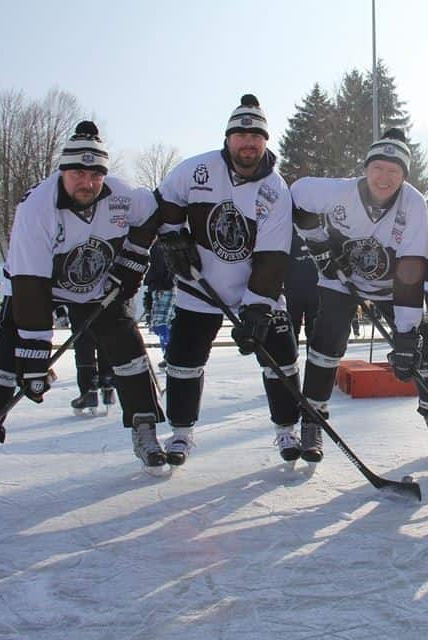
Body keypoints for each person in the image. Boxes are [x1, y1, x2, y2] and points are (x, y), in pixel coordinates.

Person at [0, 121, 165, 484]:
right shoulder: (37, 207)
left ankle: (144, 427)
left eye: (95, 175)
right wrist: (35, 355)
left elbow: (153, 216)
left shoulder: (123, 195)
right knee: (6, 353)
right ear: (63, 171)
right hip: (40, 287)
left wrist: (133, 259)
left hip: (97, 287)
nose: (87, 183)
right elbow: (30, 285)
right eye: (77, 174)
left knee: (128, 348)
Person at [154, 94, 300, 466]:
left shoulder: (275, 190)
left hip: (254, 286)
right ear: (228, 138)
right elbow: (165, 203)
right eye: (241, 135)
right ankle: (181, 433)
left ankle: (287, 429)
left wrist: (256, 309)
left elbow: (272, 256)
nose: (248, 143)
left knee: (281, 355)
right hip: (199, 284)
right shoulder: (196, 170)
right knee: (183, 359)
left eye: (255, 136)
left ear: (265, 141)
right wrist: (172, 237)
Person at [292, 128, 428, 462]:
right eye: (378, 168)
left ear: (404, 176)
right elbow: (298, 195)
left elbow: (411, 267)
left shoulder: (413, 203)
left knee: (425, 351)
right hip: (341, 279)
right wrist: (318, 244)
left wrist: (406, 334)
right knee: (326, 343)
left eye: (394, 171)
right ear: (365, 168)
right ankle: (312, 418)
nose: (384, 178)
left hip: (393, 286)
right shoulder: (340, 192)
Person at [284, 229, 320, 344]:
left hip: (314, 293)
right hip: (295, 293)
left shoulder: (317, 237)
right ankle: (292, 354)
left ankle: (311, 356)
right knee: (294, 328)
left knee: (312, 329)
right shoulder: (289, 240)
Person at [144, 241, 176, 367]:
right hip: (158, 286)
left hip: (167, 286)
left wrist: (168, 281)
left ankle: (170, 356)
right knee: (164, 324)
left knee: (162, 323)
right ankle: (169, 355)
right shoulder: (153, 244)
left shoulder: (164, 242)